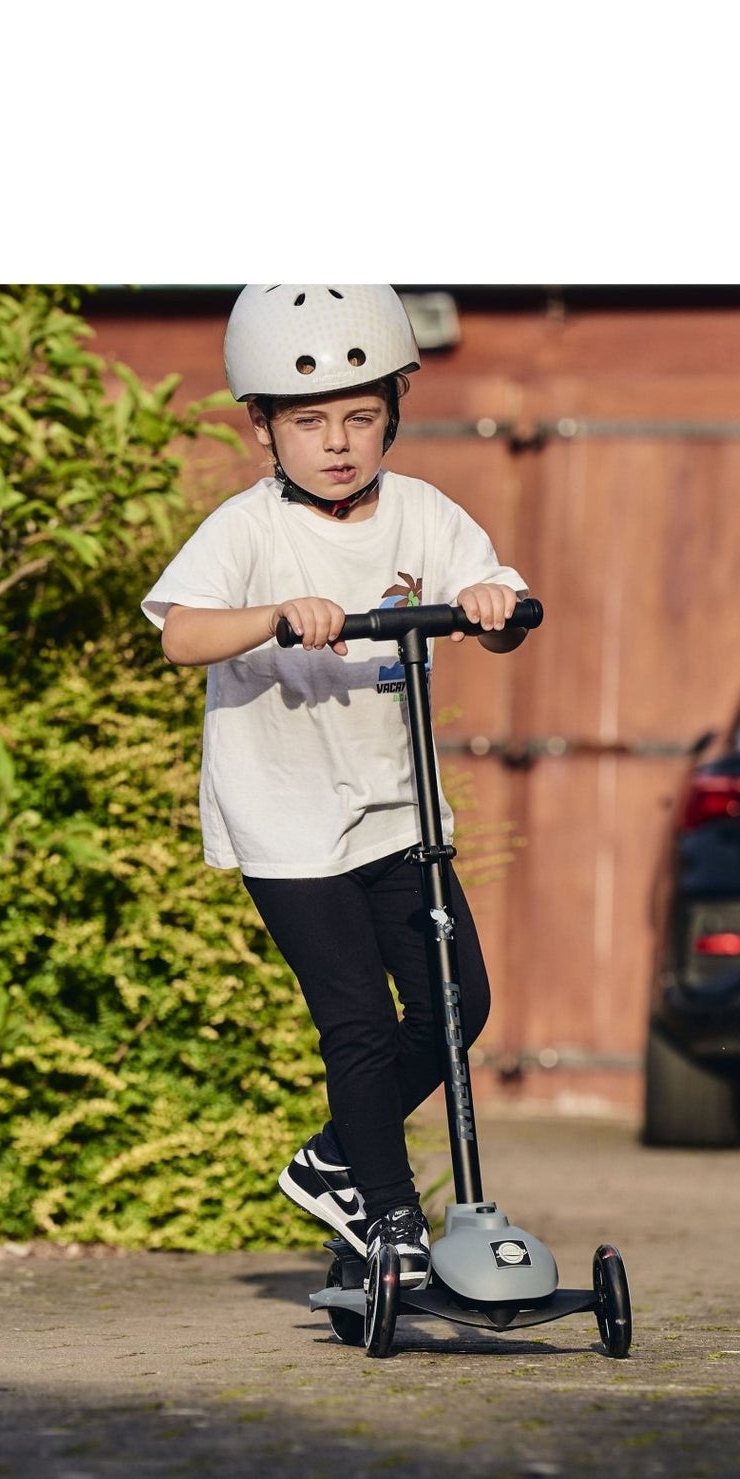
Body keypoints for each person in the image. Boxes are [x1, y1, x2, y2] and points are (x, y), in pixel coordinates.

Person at [140, 284, 526, 1287]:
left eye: (359, 416)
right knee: (354, 1019)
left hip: (400, 815)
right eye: (309, 420)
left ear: (394, 408)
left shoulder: (422, 514)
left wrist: (491, 599)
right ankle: (391, 1214)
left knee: (456, 1005)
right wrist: (270, 615)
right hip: (287, 821)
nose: (339, 442)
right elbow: (181, 632)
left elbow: (496, 591)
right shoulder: (245, 529)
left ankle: (327, 1161)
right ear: (263, 425)